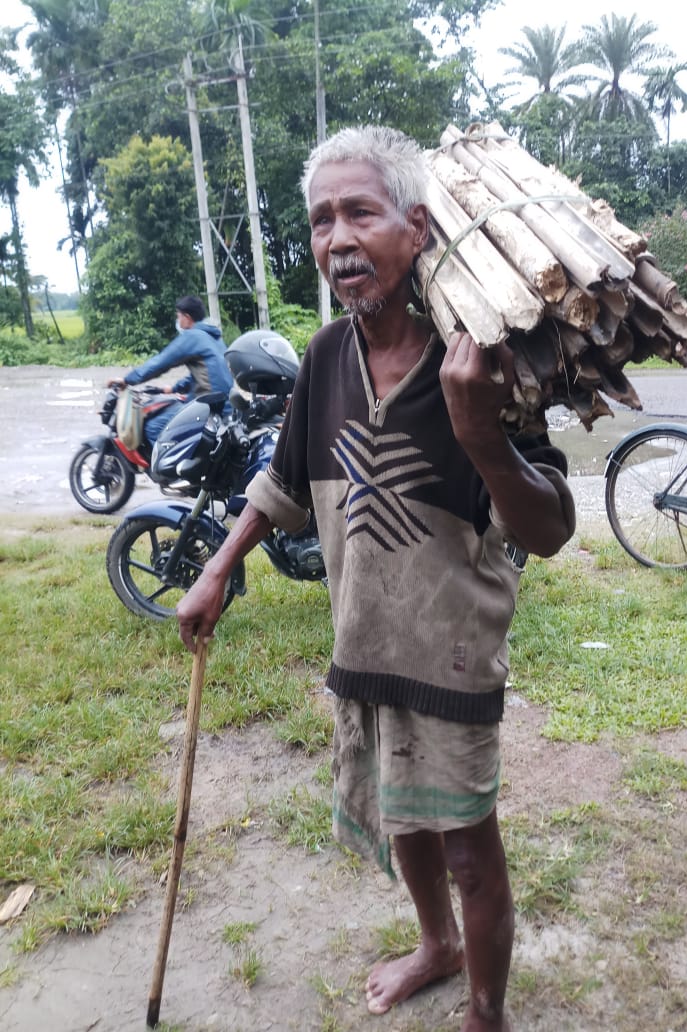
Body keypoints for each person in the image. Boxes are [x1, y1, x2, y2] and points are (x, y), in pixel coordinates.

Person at [176, 126, 575, 1031]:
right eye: (322, 220)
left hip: (452, 656)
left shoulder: (484, 361)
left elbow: (547, 530)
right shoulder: (322, 358)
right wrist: (216, 569)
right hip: (363, 642)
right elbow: (279, 484)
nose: (337, 239)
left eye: (361, 211)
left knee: (471, 850)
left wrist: (482, 435)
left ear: (417, 229)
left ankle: (485, 1013)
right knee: (406, 822)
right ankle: (435, 948)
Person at [108, 295, 234, 444]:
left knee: (152, 427)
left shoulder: (193, 337)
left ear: (187, 317)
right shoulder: (213, 337)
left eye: (179, 316)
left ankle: (162, 467)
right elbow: (206, 375)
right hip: (225, 405)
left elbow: (161, 362)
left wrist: (127, 379)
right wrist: (174, 388)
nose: (178, 321)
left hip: (209, 407)